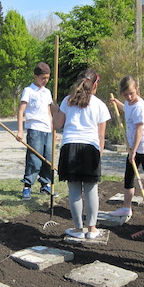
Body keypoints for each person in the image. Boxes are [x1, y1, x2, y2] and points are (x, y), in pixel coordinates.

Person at [52, 69, 111, 239]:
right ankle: (91, 229)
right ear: (95, 85)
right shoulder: (100, 104)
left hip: (70, 147)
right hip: (90, 148)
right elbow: (101, 136)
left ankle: (78, 229)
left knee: (74, 190)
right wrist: (98, 155)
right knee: (91, 189)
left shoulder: (67, 101)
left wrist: (55, 110)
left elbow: (57, 125)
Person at [109, 76, 144, 217]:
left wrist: (134, 151)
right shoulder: (129, 103)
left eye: (131, 93)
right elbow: (127, 109)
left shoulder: (140, 106)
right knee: (128, 177)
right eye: (125, 94)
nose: (129, 97)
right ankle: (126, 208)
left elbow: (140, 131)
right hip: (132, 148)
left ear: (137, 90)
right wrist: (117, 103)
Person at [16, 62, 58, 200]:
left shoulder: (47, 92)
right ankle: (27, 186)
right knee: (34, 159)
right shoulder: (28, 91)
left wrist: (54, 130)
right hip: (34, 129)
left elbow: (49, 112)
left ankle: (45, 184)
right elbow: (21, 111)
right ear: (36, 76)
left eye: (47, 78)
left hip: (47, 130)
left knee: (48, 158)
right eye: (43, 78)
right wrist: (20, 131)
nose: (45, 81)